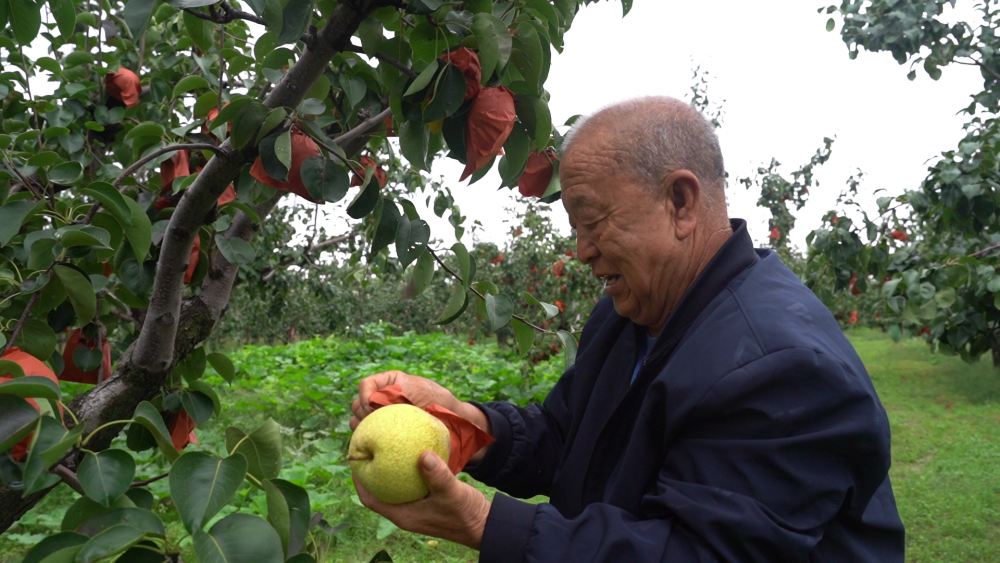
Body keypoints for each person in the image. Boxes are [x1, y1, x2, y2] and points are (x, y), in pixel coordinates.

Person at [351, 96, 905, 561]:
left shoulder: (779, 366)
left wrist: (482, 522)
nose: (582, 252)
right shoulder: (632, 314)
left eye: (592, 222)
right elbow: (570, 436)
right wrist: (461, 427)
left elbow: (698, 553)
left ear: (680, 203)